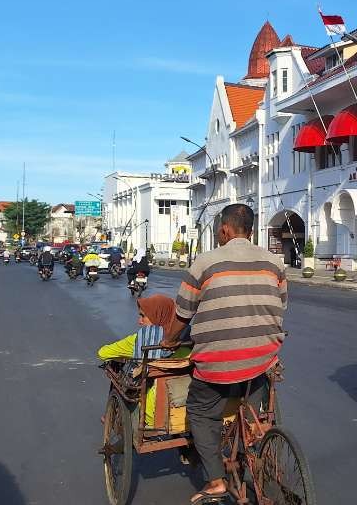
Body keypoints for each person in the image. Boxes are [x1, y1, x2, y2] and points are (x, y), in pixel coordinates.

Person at [162, 204, 287, 505]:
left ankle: (216, 481)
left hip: (218, 361)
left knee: (201, 411)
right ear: (252, 231)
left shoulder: (205, 263)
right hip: (262, 357)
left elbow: (182, 312)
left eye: (220, 230)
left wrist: (168, 340)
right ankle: (253, 440)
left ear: (226, 230)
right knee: (255, 407)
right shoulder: (275, 264)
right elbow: (281, 305)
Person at [97, 294, 191, 427]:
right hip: (189, 407)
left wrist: (125, 356)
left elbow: (103, 353)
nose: (139, 321)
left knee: (123, 381)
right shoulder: (188, 338)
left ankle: (113, 417)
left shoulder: (139, 341)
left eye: (143, 316)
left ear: (158, 316)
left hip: (152, 414)